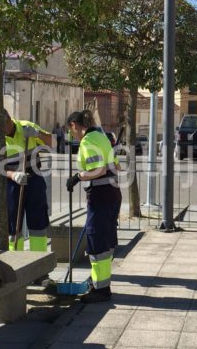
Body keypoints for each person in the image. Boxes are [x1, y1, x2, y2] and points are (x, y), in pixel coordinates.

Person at [66, 109, 122, 303]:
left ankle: (101, 290)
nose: (72, 135)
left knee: (96, 242)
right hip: (112, 194)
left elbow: (100, 169)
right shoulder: (101, 136)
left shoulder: (88, 142)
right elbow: (116, 165)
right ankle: (100, 283)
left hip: (101, 196)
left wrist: (78, 177)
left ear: (74, 125)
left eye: (71, 130)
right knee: (105, 242)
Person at [0, 110, 54, 252]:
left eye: (3, 127)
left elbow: (51, 142)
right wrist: (13, 175)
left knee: (38, 223)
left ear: (9, 121)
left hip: (34, 180)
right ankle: (14, 261)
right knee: (13, 225)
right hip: (13, 184)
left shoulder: (26, 127)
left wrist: (38, 134)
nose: (2, 132)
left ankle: (39, 261)